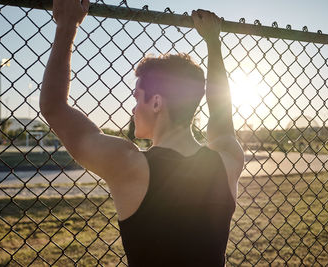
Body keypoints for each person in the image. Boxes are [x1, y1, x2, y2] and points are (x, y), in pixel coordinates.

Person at [40, 1, 245, 266]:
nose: (134, 108)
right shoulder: (227, 160)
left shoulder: (130, 165)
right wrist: (213, 42)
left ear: (157, 103)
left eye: (138, 98)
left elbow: (54, 108)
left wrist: (67, 25)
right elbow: (220, 114)